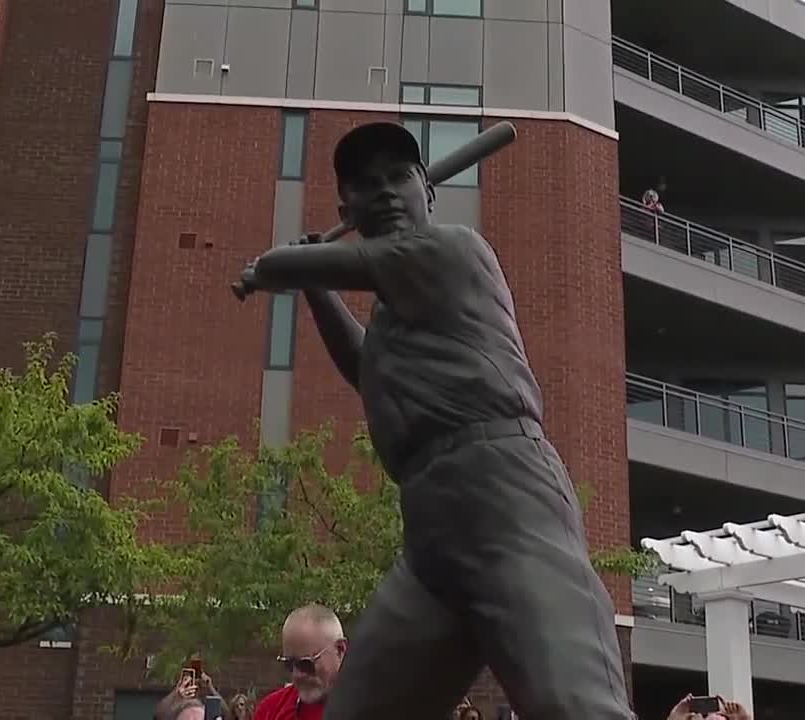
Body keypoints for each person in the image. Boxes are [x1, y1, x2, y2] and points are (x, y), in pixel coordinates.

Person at [236, 121, 634, 720]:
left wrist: (280, 264)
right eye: (368, 185)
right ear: (349, 207)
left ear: (429, 191)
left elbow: (317, 262)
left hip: (507, 496)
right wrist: (315, 286)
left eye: (401, 177)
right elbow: (365, 367)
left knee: (572, 706)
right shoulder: (397, 321)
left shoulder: (453, 250)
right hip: (431, 533)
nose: (388, 192)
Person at [254, 605, 346, 720]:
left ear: (339, 650)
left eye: (305, 664)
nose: (297, 675)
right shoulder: (270, 710)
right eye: (289, 664)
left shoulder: (370, 705)